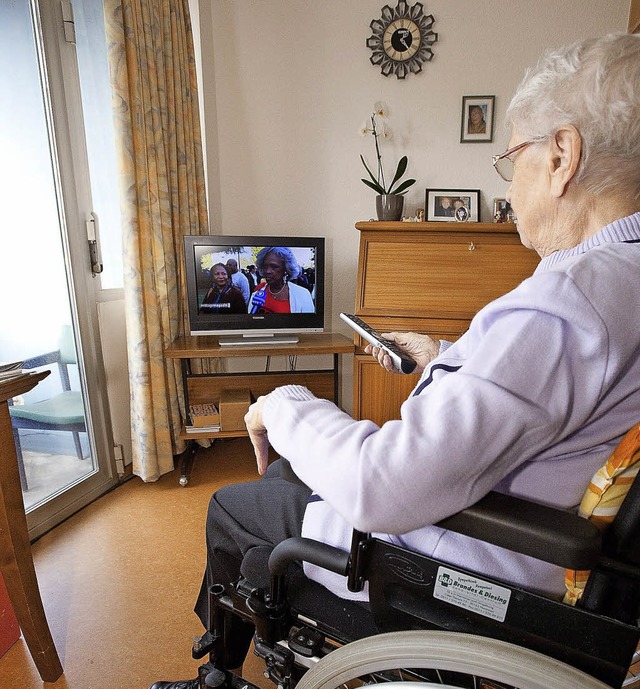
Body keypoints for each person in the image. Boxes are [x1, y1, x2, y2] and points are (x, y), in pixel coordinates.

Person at [151, 33, 640, 689]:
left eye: (511, 157)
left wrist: (287, 401)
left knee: (235, 504)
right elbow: (553, 392)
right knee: (293, 473)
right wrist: (448, 356)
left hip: (458, 571)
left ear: (561, 156)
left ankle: (218, 672)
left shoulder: (564, 299)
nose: (512, 179)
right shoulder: (620, 278)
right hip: (540, 552)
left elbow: (383, 486)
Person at [247, 246, 315, 314]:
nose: (268, 271)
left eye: (274, 267)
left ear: (286, 269)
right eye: (265, 267)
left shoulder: (302, 295)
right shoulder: (256, 295)